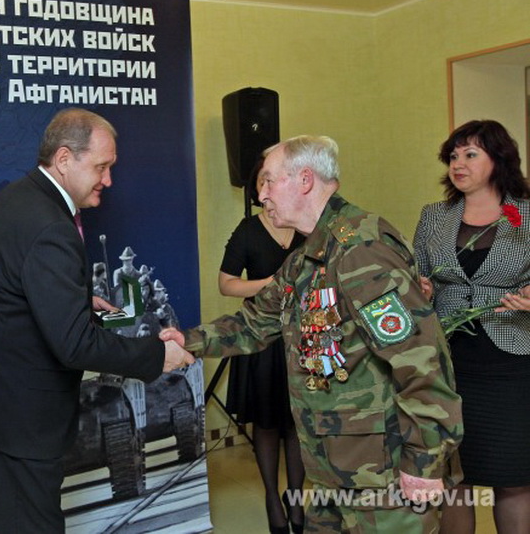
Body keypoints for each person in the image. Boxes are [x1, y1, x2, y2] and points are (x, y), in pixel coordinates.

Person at [162, 135, 463, 533]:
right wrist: (187, 343)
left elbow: (421, 359)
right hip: (329, 468)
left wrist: (424, 463)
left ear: (305, 180)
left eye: (269, 181)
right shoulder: (307, 258)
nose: (261, 195)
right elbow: (256, 321)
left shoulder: (361, 250)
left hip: (382, 475)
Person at [0, 107, 194, 533]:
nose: (108, 180)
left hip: (1, 407)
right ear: (64, 159)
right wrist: (158, 357)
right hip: (19, 420)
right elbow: (74, 344)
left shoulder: (19, 198)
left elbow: (20, 295)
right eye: (101, 167)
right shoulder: (50, 225)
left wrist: (78, 300)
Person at [413, 120, 530, 534]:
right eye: (453, 156)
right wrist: (421, 289)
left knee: (513, 477)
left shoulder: (526, 214)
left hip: (511, 361)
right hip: (447, 360)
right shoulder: (434, 216)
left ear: (499, 159)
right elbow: (416, 274)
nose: (457, 164)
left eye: (470, 154)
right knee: (453, 479)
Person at [218, 155, 305, 534]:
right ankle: (272, 496)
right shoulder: (248, 231)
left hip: (305, 338)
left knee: (299, 423)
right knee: (267, 424)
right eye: (262, 183)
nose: (267, 190)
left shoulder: (309, 226)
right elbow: (226, 284)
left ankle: (296, 499)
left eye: (274, 180)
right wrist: (272, 284)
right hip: (262, 339)